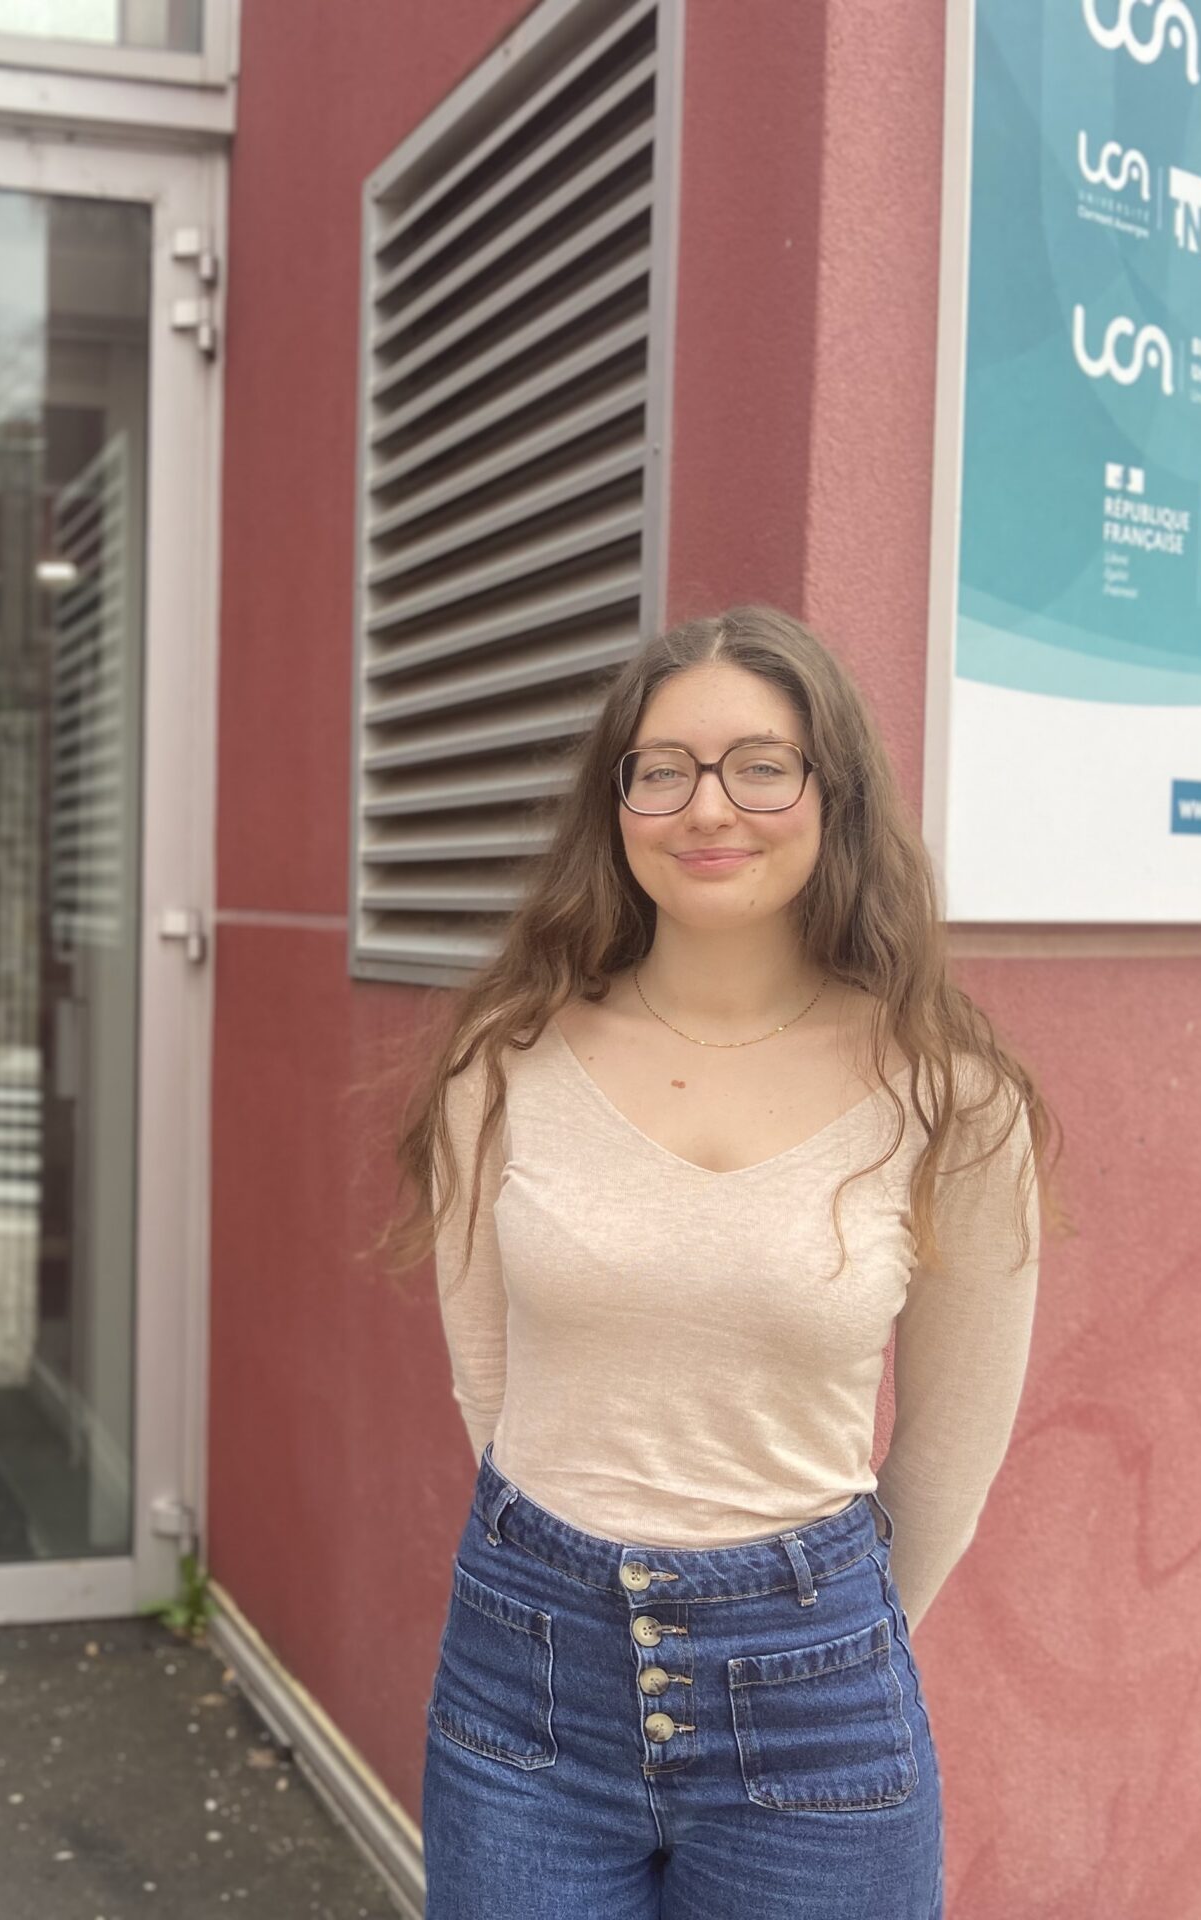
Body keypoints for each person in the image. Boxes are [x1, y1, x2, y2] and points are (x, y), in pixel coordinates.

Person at [383, 606, 1056, 1919]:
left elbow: (952, 1449)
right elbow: (492, 1385)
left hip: (815, 1692)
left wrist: (812, 1641)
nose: (709, 807)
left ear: (833, 794)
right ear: (617, 801)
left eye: (762, 763)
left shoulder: (951, 1098)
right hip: (527, 1672)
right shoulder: (501, 1064)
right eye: (663, 767)